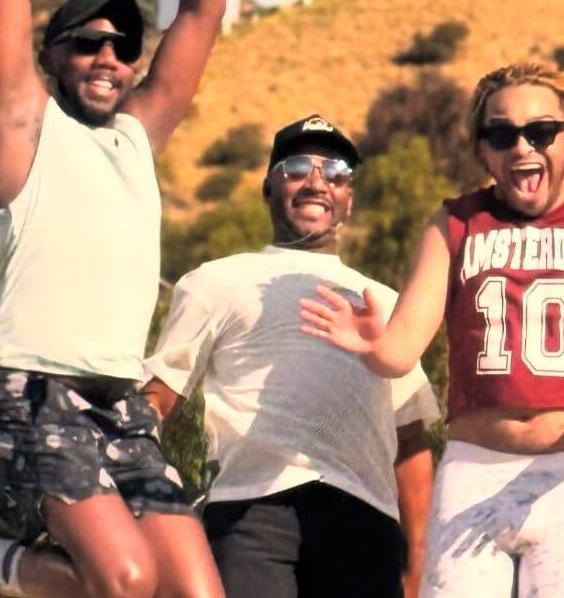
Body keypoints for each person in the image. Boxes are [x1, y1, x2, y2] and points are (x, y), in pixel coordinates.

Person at [0, 0, 235, 597]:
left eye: (124, 45)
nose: (109, 57)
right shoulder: (27, 128)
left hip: (120, 402)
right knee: (124, 578)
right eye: (87, 43)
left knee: (193, 590)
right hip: (27, 389)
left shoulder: (135, 140)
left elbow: (202, 8)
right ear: (50, 58)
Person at [299, 61, 564, 597]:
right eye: (502, 135)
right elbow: (400, 350)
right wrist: (373, 347)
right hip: (473, 474)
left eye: (540, 132)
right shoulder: (453, 223)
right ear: (483, 150)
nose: (521, 147)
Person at [142, 115, 440, 598]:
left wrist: (420, 558)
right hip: (251, 513)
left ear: (349, 198)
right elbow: (158, 398)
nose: (317, 182)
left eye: (336, 172)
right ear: (269, 185)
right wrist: (139, 497)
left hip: (365, 521)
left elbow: (409, 438)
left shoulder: (385, 303)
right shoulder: (215, 281)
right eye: (298, 167)